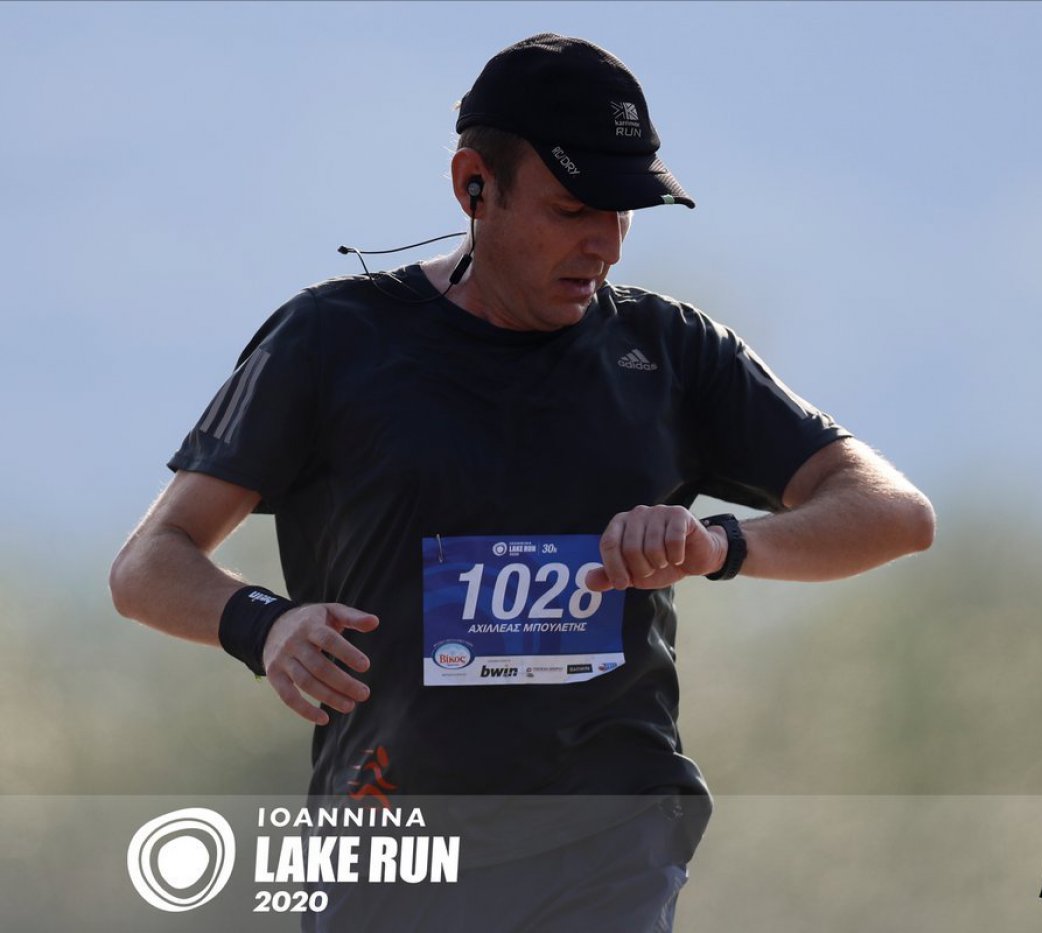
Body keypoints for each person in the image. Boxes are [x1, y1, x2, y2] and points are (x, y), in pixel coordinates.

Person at [109, 32, 934, 931]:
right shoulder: (330, 341)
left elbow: (894, 512)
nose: (605, 244)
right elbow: (149, 563)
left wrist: (716, 546)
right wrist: (265, 624)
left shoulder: (671, 352)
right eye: (573, 207)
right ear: (474, 185)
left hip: (609, 836)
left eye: (624, 211)